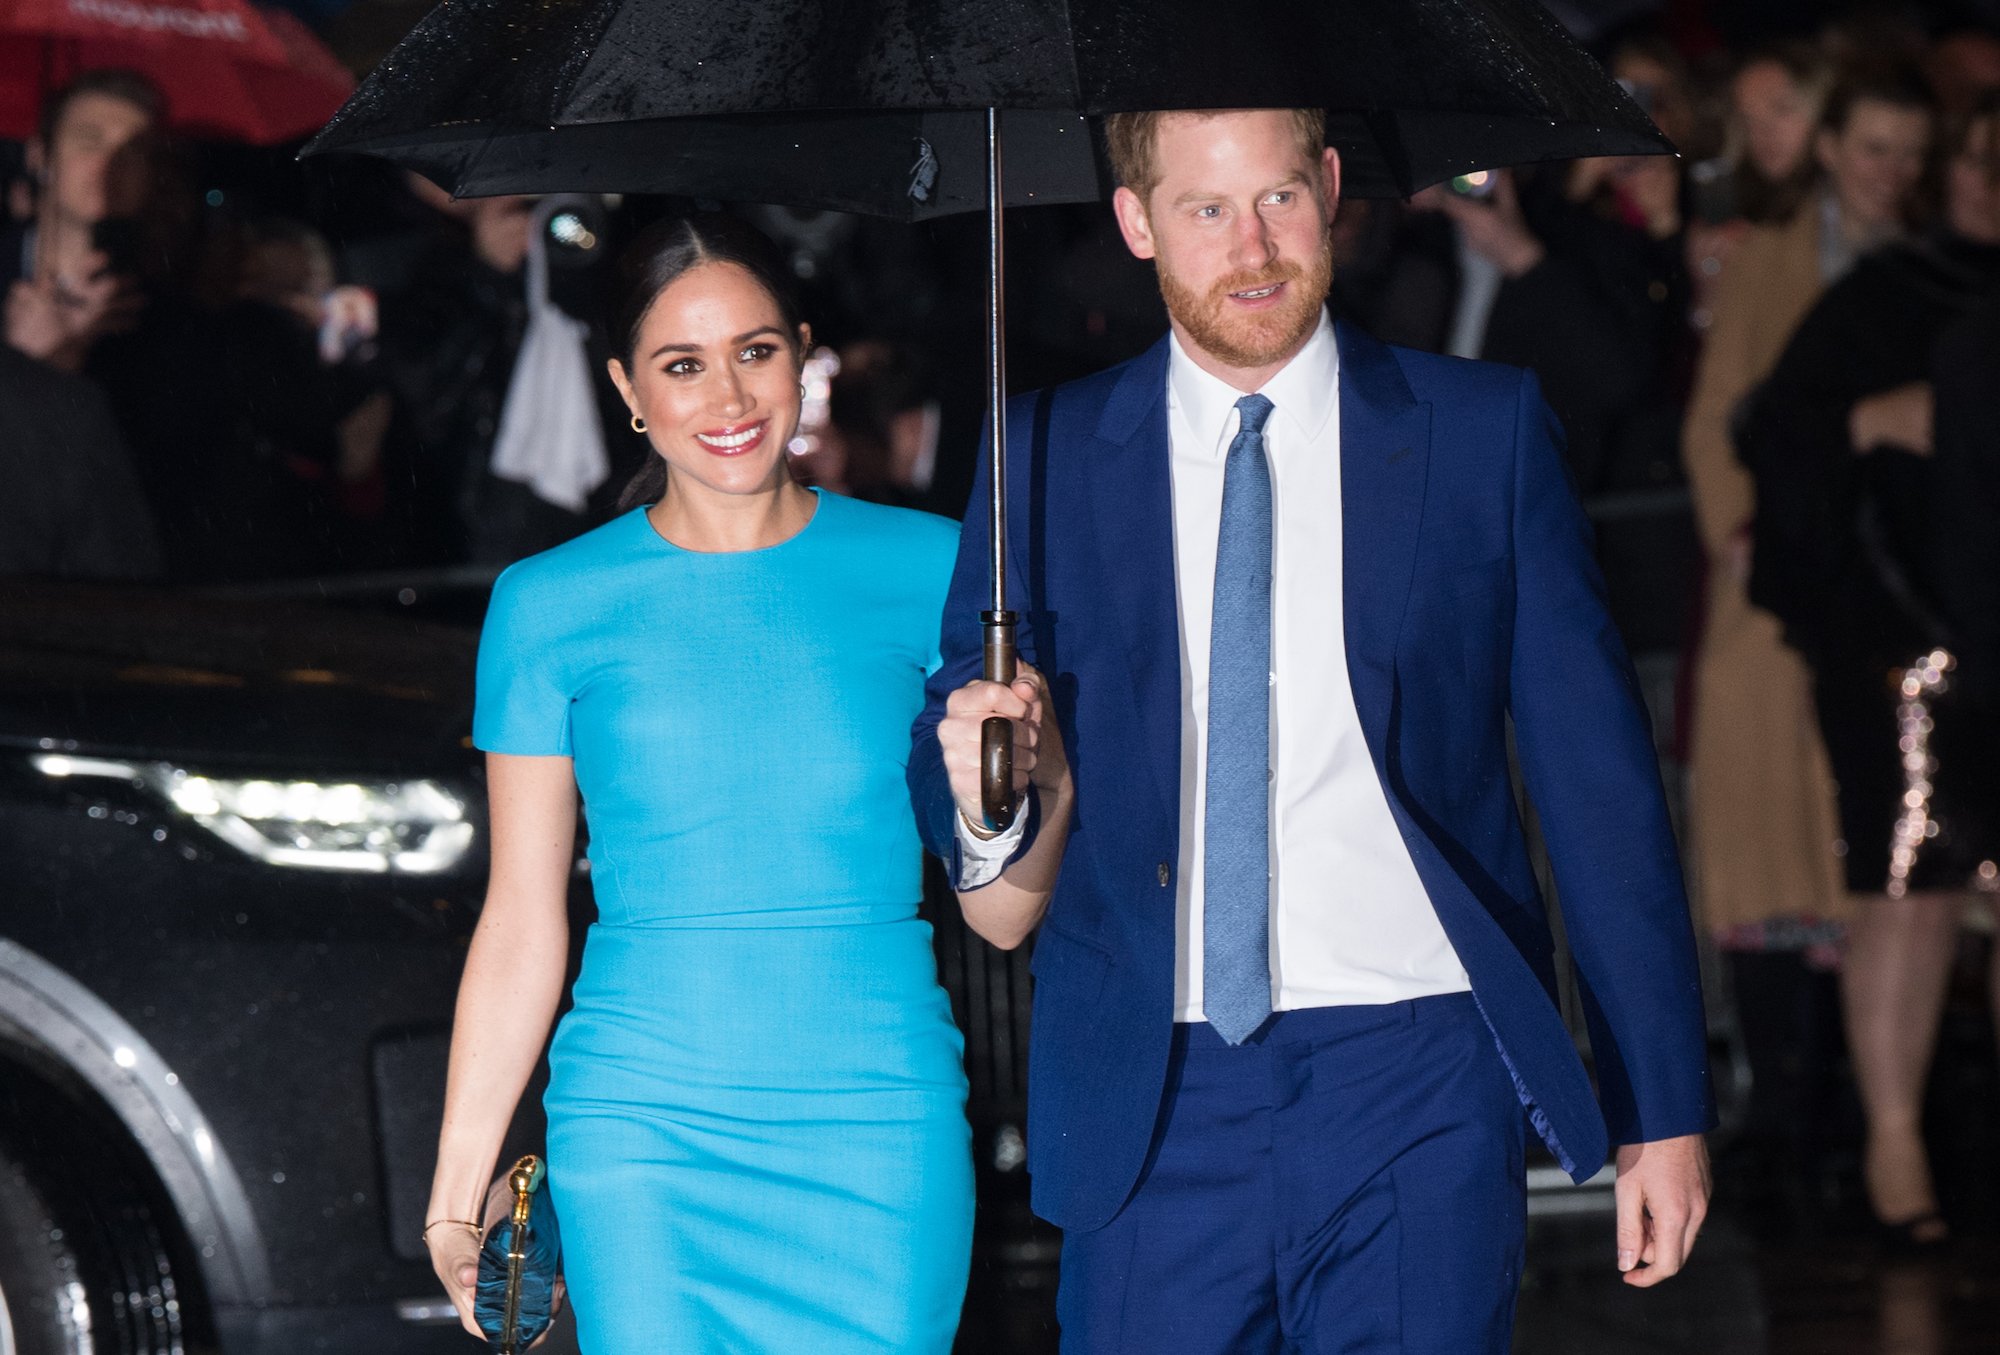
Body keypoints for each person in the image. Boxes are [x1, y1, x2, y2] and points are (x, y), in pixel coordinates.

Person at [910, 107, 1712, 1353]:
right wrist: (981, 781)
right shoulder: (1044, 450)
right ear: (1135, 222)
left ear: (1330, 185)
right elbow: (959, 721)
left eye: (1279, 198)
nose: (1253, 248)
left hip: (1419, 1071)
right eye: (1205, 211)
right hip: (1149, 1086)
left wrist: (1659, 1106)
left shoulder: (1478, 431)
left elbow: (1596, 783)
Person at [423, 214, 974, 1352]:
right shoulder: (547, 603)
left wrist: (1027, 784)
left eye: (755, 350)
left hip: (876, 1120)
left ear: (804, 353)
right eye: (683, 363)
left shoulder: (936, 569)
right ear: (628, 386)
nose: (727, 395)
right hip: (644, 1131)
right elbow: (523, 915)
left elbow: (1006, 895)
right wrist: (456, 1186)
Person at [1741, 91, 2000, 1251]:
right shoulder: (1886, 295)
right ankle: (1895, 1145)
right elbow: (1772, 432)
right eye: (1979, 162)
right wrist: (1870, 419)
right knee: (1909, 891)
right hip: (1905, 643)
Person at [1680, 69, 1934, 1203]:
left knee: (1887, 853)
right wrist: (1746, 525)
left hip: (1906, 598)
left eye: (1904, 152)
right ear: (1831, 147)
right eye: (1869, 145)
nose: (1887, 172)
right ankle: (1785, 1115)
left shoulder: (1939, 269)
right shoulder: (1766, 257)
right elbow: (1717, 415)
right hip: (1777, 587)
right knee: (1764, 841)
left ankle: (1869, 1116)